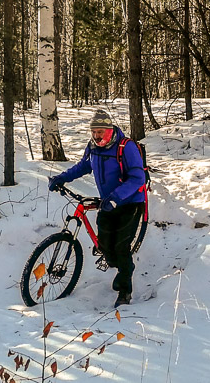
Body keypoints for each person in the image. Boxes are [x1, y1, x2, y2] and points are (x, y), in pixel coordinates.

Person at [48, 109, 146, 307]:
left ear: (110, 130)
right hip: (108, 202)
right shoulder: (93, 147)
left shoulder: (126, 147)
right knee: (104, 246)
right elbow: (83, 166)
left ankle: (124, 290)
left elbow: (138, 178)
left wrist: (116, 198)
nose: (97, 135)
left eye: (101, 131)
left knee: (120, 247)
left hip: (131, 202)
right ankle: (121, 266)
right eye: (94, 131)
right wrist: (61, 178)